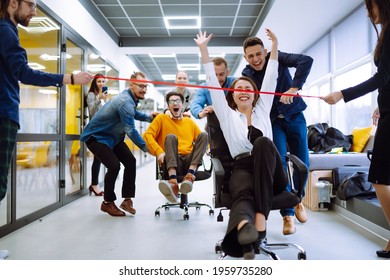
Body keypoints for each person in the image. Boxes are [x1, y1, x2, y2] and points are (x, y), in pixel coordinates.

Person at [0, 0, 93, 259]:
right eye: (30, 4)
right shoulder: (6, 30)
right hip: (3, 114)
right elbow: (23, 72)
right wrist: (69, 78)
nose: (34, 11)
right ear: (12, 3)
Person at [195, 29, 286, 259]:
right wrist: (203, 50)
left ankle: (259, 221)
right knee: (243, 194)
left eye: (248, 88)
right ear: (232, 96)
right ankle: (244, 229)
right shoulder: (227, 115)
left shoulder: (263, 108)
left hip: (271, 169)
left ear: (256, 94)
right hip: (242, 168)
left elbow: (271, 74)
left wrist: (274, 45)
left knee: (264, 143)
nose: (243, 91)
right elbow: (212, 82)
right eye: (238, 89)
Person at [321, 0, 390, 259]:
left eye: (370, 6)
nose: (367, 12)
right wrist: (381, 104)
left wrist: (342, 94)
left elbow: (380, 77)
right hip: (387, 112)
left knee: (380, 179)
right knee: (381, 179)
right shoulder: (386, 33)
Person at [241, 34, 313, 235]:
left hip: (295, 115)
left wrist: (294, 88)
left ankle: (298, 200)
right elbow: (242, 94)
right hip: (273, 122)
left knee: (303, 163)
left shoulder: (278, 57)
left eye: (258, 54)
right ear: (245, 58)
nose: (255, 59)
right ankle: (288, 215)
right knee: (279, 164)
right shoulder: (247, 74)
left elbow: (306, 60)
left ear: (265, 52)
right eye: (250, 56)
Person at [80, 71, 157, 217]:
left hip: (112, 137)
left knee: (130, 161)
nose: (144, 89)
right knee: (114, 166)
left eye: (146, 86)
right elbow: (131, 131)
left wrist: (149, 118)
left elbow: (133, 113)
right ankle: (107, 203)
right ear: (131, 85)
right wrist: (148, 148)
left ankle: (127, 200)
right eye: (141, 86)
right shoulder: (125, 101)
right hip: (96, 137)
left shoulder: (130, 99)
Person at [143, 91, 208, 203]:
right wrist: (159, 151)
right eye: (171, 101)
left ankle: (189, 176)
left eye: (178, 101)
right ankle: (173, 182)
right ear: (168, 106)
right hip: (171, 161)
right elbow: (147, 135)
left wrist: (209, 149)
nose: (175, 103)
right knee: (170, 137)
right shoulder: (161, 118)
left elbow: (202, 140)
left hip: (189, 161)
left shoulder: (189, 122)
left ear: (182, 105)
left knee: (204, 135)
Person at [85, 73, 108, 196]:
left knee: (98, 158)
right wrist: (98, 98)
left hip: (103, 130)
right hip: (95, 131)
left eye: (103, 82)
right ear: (94, 82)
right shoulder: (91, 95)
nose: (101, 84)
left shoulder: (103, 96)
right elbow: (92, 112)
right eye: (99, 82)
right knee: (98, 158)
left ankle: (94, 184)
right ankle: (94, 185)